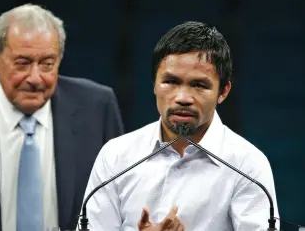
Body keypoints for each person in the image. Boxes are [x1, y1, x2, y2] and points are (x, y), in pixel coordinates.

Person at [82, 21, 279, 231]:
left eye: (199, 85)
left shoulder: (247, 165)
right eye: (171, 82)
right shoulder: (116, 156)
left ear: (223, 92)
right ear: (154, 85)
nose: (183, 98)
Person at [0, 4, 124, 231]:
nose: (35, 78)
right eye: (22, 64)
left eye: (47, 65)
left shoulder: (97, 107)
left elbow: (121, 199)